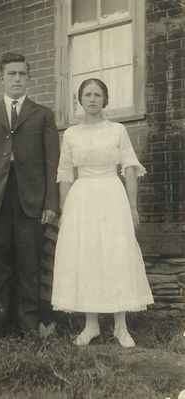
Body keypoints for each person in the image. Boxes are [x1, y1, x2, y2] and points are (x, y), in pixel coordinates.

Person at [51, 78, 154, 347]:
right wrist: (64, 210)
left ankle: (121, 326)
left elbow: (130, 167)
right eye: (87, 94)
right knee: (87, 256)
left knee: (115, 254)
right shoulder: (71, 134)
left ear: (105, 99)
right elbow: (64, 174)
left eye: (98, 94)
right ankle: (91, 325)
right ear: (80, 100)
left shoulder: (117, 130)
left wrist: (132, 206)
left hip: (111, 195)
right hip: (81, 198)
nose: (93, 99)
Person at [0, 52, 60, 347]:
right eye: (11, 74)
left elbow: (51, 163)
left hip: (29, 199)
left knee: (29, 264)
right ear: (1, 78)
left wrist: (50, 203)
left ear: (29, 78)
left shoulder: (43, 114)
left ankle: (29, 325)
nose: (17, 79)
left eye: (22, 74)